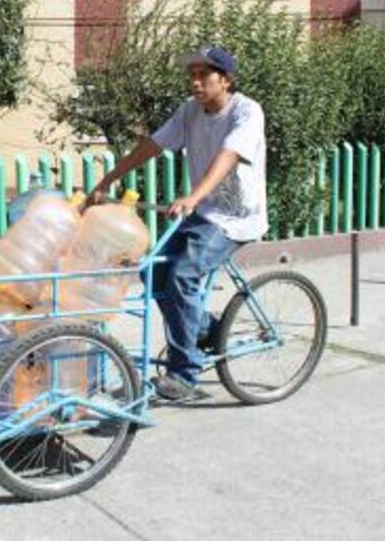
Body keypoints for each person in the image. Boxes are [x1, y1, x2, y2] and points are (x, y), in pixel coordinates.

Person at [86, 46, 268, 401]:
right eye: (192, 75)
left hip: (235, 218)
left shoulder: (246, 111)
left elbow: (228, 156)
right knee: (152, 271)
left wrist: (194, 196)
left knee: (183, 275)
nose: (195, 81)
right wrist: (108, 180)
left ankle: (185, 375)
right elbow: (153, 145)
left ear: (226, 80)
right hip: (202, 213)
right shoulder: (190, 111)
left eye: (204, 75)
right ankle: (206, 330)